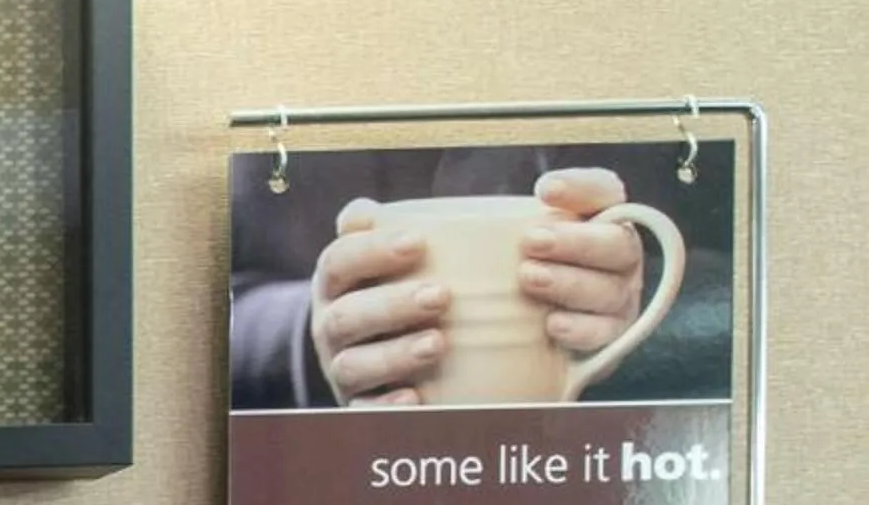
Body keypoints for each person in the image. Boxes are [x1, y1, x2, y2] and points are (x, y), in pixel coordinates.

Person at [230, 147, 730, 409]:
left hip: (634, 481)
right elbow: (184, 307)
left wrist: (648, 308)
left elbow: (772, 278)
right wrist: (326, 329)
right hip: (334, 496)